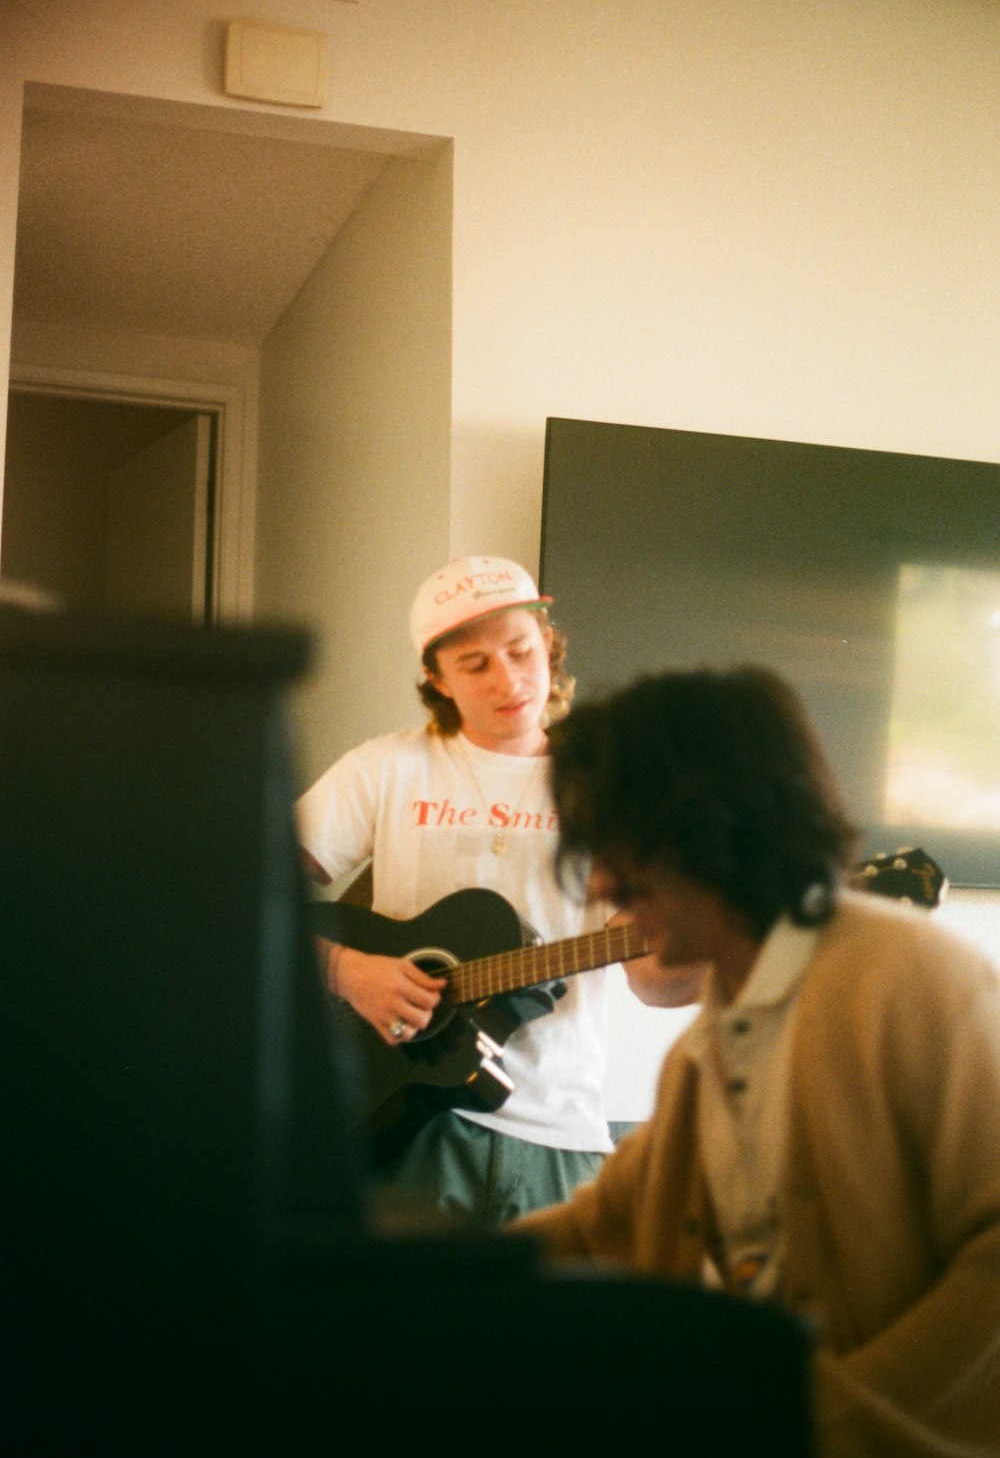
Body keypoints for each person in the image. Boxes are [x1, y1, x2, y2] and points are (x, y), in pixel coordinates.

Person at [516, 665, 1000, 1458]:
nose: (601, 881)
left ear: (709, 826)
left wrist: (824, 1420)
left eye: (620, 845)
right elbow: (601, 1225)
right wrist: (415, 1282)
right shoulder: (705, 1049)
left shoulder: (913, 982)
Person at [297, 555, 633, 1225]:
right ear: (436, 677)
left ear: (549, 647)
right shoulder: (385, 769)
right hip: (404, 1122)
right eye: (475, 665)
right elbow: (238, 896)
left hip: (561, 1133)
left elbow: (661, 983)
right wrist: (347, 970)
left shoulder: (609, 785)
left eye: (521, 651)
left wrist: (676, 931)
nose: (508, 680)